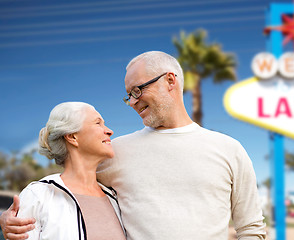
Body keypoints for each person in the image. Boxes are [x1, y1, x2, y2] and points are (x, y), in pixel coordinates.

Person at [1, 51, 266, 239]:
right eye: (128, 95)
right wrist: (10, 221)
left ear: (170, 81)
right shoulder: (115, 152)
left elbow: (251, 229)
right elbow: (71, 183)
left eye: (137, 91)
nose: (132, 102)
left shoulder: (229, 150)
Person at [1, 102, 126, 240]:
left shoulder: (115, 198)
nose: (109, 131)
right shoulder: (38, 196)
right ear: (72, 137)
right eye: (98, 123)